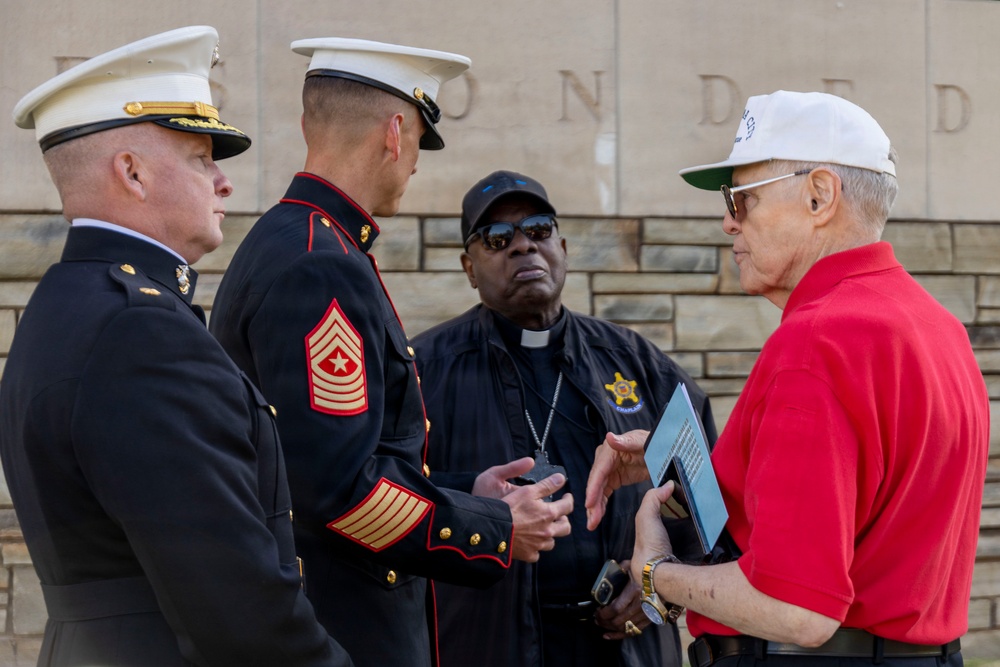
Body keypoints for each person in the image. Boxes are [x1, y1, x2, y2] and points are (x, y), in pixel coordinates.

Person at [585, 90, 989, 667]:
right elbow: (873, 502)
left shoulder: (818, 339)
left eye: (741, 198)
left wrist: (657, 574)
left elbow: (797, 609)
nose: (728, 221)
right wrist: (668, 459)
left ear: (819, 195)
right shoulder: (937, 326)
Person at [209, 39, 573, 667]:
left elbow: (325, 459)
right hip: (342, 629)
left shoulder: (296, 240)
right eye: (420, 145)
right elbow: (338, 490)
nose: (415, 167)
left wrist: (471, 493)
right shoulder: (320, 264)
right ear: (395, 134)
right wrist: (493, 529)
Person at [0, 26, 353, 666]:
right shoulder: (141, 332)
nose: (223, 182)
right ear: (131, 173)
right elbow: (239, 613)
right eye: (200, 158)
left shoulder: (68, 302)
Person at [410, 170, 717, 667]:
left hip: (625, 648)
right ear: (470, 268)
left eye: (538, 229)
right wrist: (478, 510)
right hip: (488, 645)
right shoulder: (424, 371)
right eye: (497, 237)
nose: (523, 246)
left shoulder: (637, 362)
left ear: (563, 247)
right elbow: (390, 492)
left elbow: (710, 487)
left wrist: (662, 579)